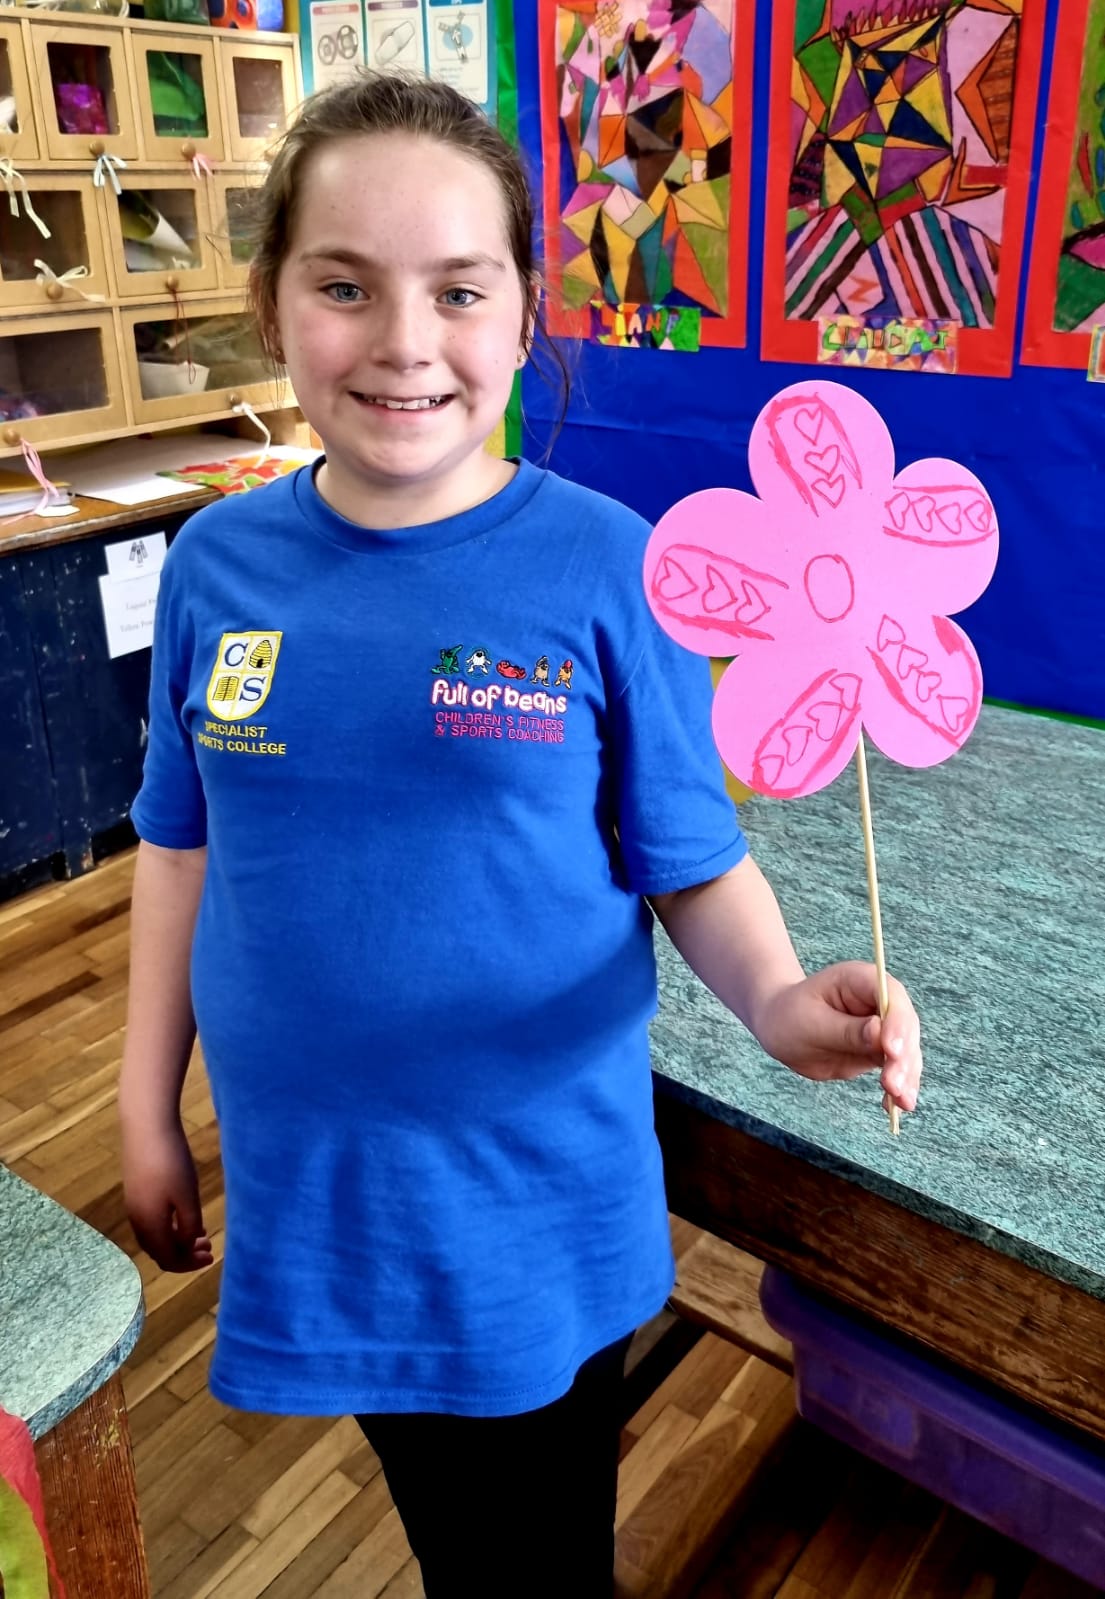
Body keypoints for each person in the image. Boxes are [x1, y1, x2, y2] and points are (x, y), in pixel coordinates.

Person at [119, 72, 923, 1598]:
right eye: (345, 285)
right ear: (274, 299)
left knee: (536, 1560)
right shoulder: (216, 564)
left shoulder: (605, 564)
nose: (403, 341)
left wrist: (769, 1000)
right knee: (449, 1533)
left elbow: (684, 852)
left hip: (529, 1200)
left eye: (456, 290)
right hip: (320, 1190)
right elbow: (180, 843)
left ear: (519, 309)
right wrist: (146, 1102)